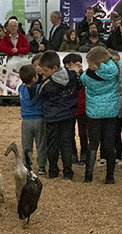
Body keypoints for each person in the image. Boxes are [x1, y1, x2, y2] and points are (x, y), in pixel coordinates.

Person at [80, 47, 122, 184]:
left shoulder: (86, 76)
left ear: (98, 63)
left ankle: (88, 176)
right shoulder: (118, 67)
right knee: (109, 143)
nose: (89, 67)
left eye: (90, 64)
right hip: (111, 112)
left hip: (94, 113)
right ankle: (110, 177)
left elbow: (83, 81)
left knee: (93, 144)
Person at [38, 50, 81, 180]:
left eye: (45, 71)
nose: (43, 74)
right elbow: (78, 87)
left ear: (55, 68)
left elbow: (41, 94)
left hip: (52, 118)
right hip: (68, 116)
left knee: (52, 145)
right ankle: (68, 173)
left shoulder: (47, 84)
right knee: (66, 144)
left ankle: (53, 172)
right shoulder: (72, 75)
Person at [18, 64, 47, 175]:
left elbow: (23, 84)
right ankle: (41, 166)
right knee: (41, 144)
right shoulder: (39, 88)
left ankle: (27, 165)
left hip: (26, 120)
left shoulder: (20, 89)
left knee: (26, 144)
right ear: (35, 78)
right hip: (39, 118)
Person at [63, 53, 89, 166]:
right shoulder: (65, 77)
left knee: (83, 133)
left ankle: (84, 153)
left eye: (69, 65)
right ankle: (73, 153)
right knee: (70, 133)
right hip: (70, 108)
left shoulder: (85, 76)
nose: (67, 68)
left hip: (82, 107)